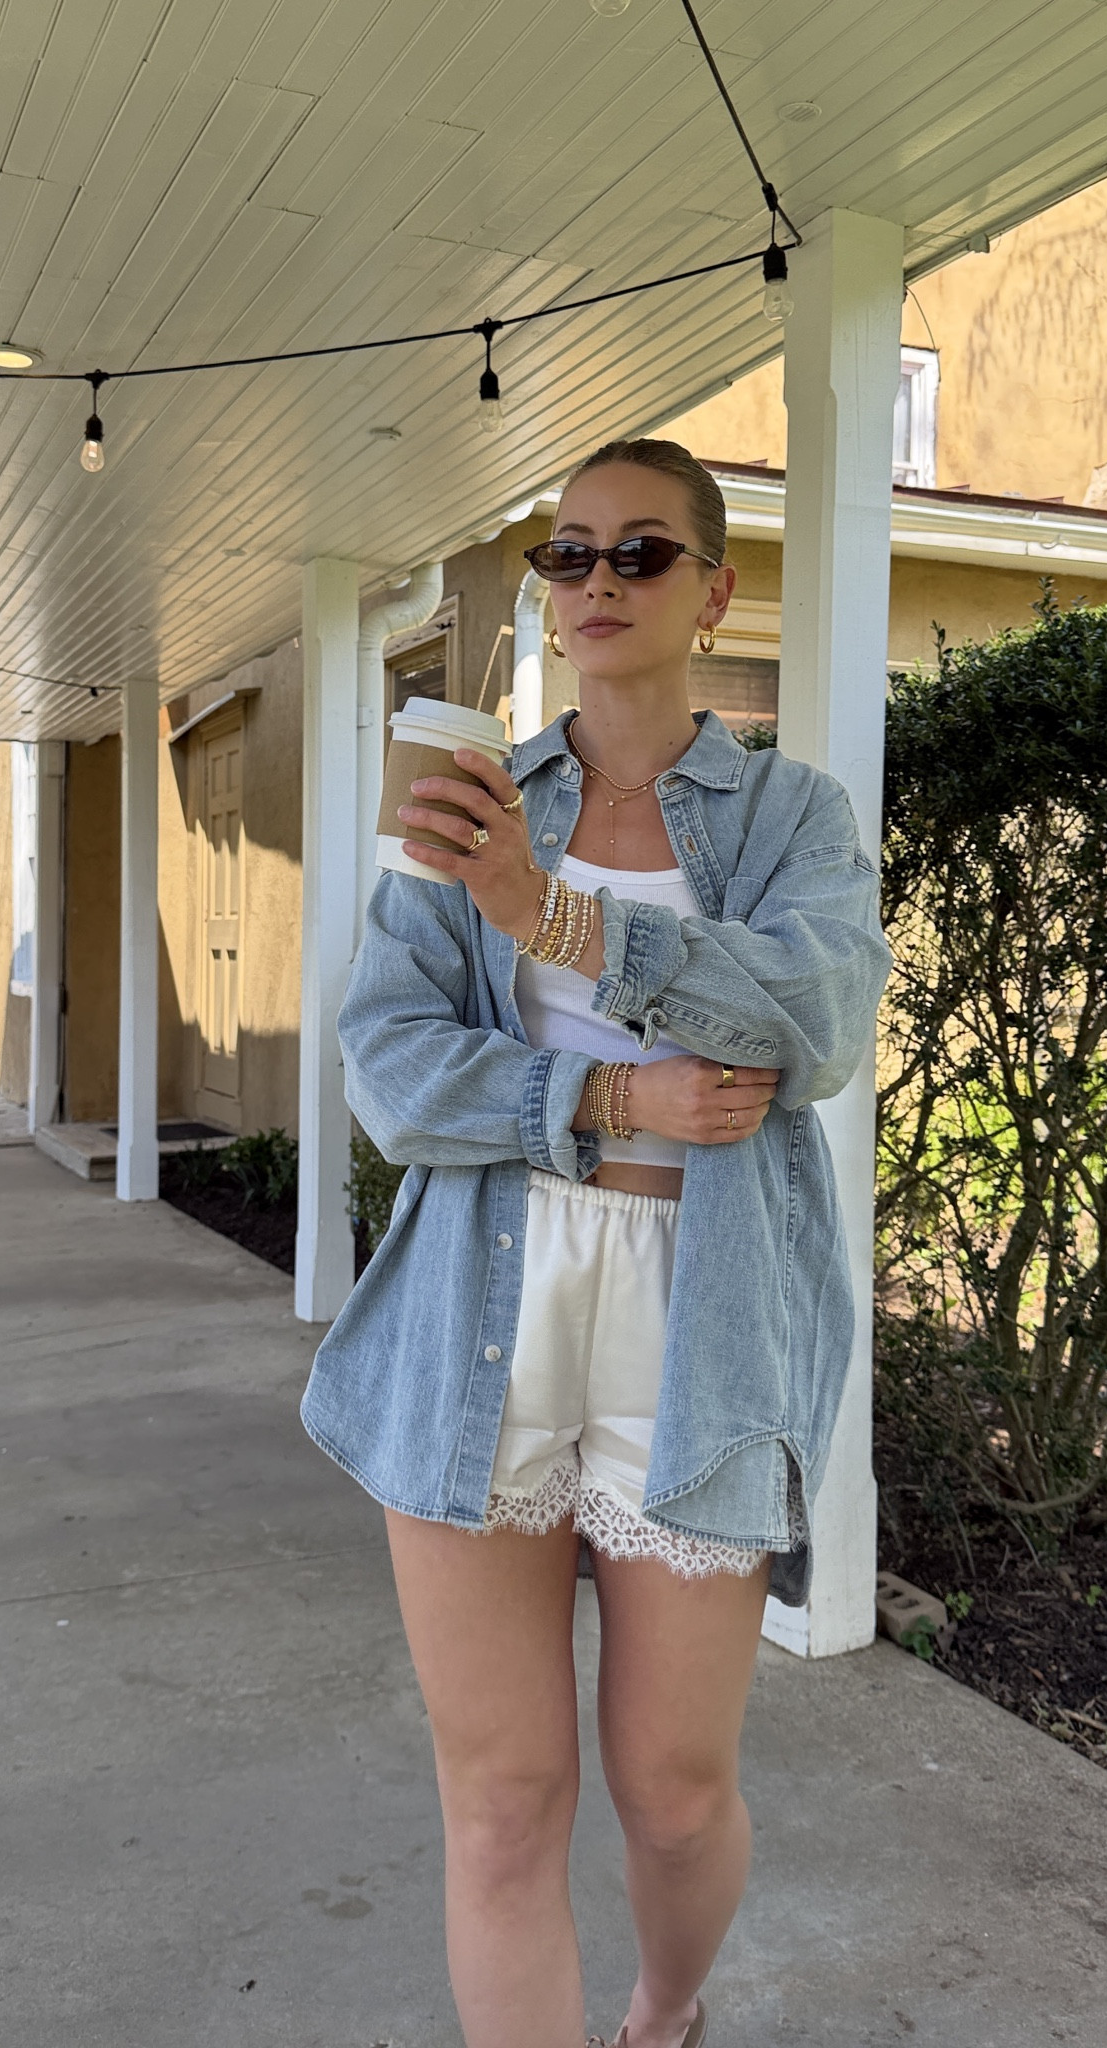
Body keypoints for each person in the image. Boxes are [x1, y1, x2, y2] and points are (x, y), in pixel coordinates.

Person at [300, 438, 890, 2048]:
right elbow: (393, 1070)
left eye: (640, 553)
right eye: (568, 555)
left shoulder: (785, 818)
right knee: (500, 1800)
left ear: (713, 588)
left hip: (701, 1316)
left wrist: (546, 917)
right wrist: (613, 1088)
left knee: (676, 1792)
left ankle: (664, 2011)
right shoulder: (473, 799)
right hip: (480, 1307)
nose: (597, 582)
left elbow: (815, 1021)